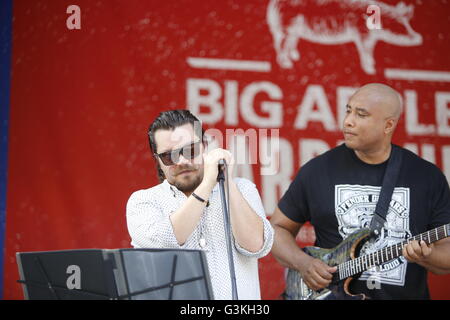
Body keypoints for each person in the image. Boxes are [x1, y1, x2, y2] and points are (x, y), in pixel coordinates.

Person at [270, 83, 450, 299]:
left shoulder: (427, 177)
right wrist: (303, 263)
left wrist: (425, 256)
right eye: (348, 110)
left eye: (361, 114)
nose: (348, 121)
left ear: (388, 125)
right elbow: (277, 229)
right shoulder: (318, 170)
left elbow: (445, 257)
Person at [126, 109, 273, 300]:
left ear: (205, 147)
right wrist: (206, 185)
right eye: (169, 156)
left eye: (191, 150)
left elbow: (257, 246)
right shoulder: (143, 201)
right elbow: (164, 241)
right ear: (157, 161)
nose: (183, 161)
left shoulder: (241, 189)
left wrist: (226, 180)